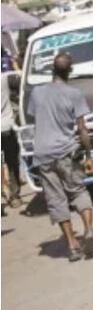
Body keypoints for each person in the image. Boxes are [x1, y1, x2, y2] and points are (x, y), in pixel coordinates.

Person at [25, 52, 93, 262]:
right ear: (70, 71)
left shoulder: (37, 93)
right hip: (67, 152)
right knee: (78, 191)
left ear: (52, 70)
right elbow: (82, 129)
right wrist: (89, 155)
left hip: (44, 155)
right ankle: (88, 228)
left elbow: (34, 118)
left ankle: (72, 246)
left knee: (56, 200)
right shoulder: (75, 94)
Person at [2, 46, 21, 208]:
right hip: (7, 128)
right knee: (12, 161)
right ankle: (14, 196)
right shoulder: (5, 78)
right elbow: (22, 81)